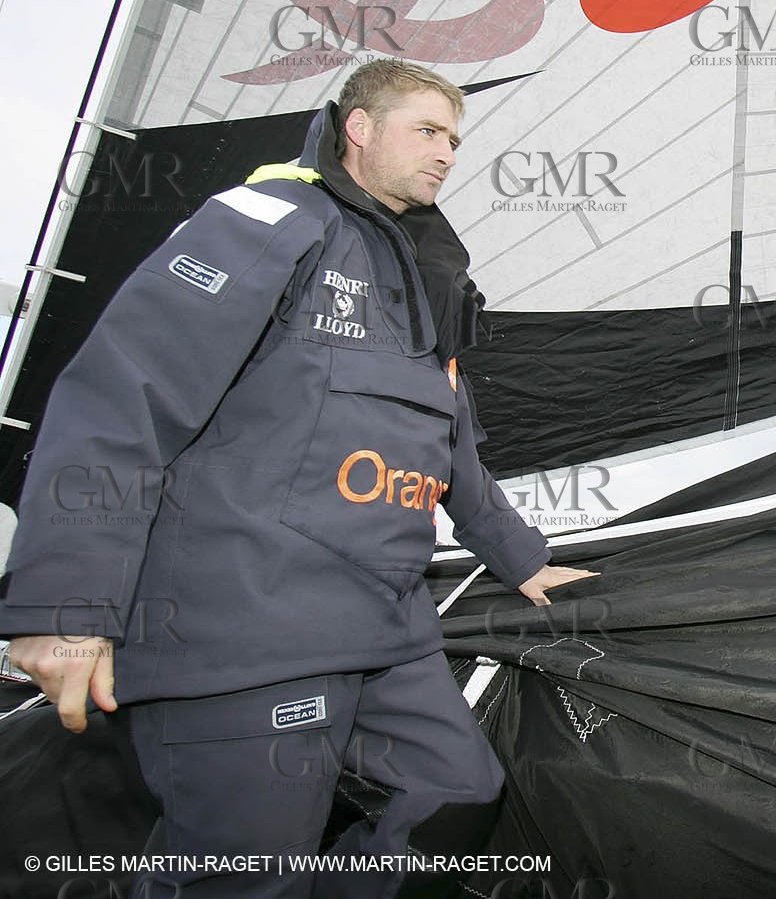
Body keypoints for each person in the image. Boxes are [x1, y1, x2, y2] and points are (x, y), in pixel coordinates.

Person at [0, 60, 596, 898]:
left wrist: (523, 560)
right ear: (359, 127)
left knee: (457, 797)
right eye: (428, 130)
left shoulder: (426, 283)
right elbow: (125, 397)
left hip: (386, 625)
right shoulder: (267, 221)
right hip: (243, 629)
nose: (447, 154)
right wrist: (64, 605)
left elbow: (449, 443)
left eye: (455, 139)